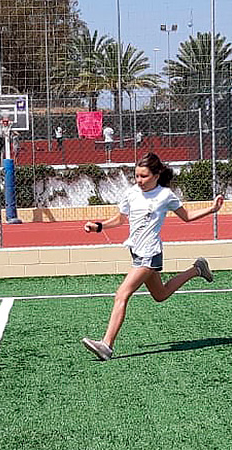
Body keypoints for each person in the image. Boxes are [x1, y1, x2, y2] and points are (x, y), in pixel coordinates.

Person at [79, 153, 223, 361]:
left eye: (144, 176)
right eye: (137, 176)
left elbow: (187, 217)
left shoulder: (165, 195)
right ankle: (197, 269)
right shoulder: (132, 193)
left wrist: (212, 208)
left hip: (150, 253)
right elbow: (120, 219)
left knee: (122, 294)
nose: (139, 180)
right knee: (160, 295)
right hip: (136, 251)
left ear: (156, 175)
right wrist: (99, 226)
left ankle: (106, 345)